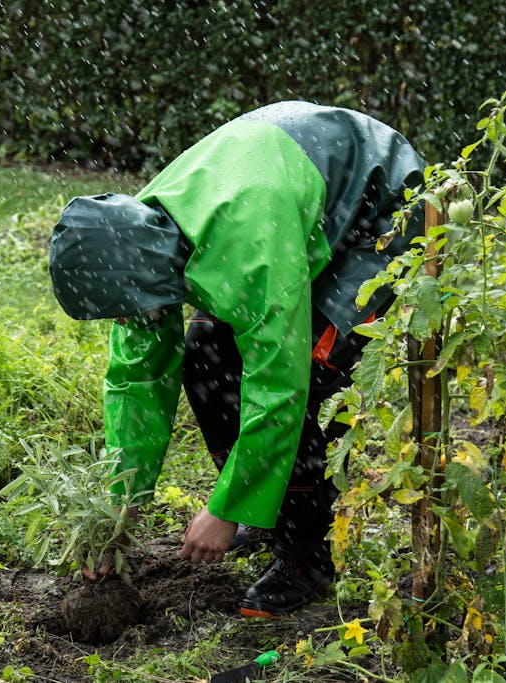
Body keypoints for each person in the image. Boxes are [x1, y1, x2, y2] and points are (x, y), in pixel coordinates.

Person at [49, 100, 425, 618]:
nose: (132, 320)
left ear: (140, 277)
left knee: (312, 368)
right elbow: (136, 382)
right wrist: (120, 509)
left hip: (378, 211)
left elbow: (280, 383)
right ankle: (268, 506)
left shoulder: (248, 244)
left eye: (129, 310)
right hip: (286, 209)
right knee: (207, 356)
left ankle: (307, 555)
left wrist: (224, 509)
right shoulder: (135, 238)